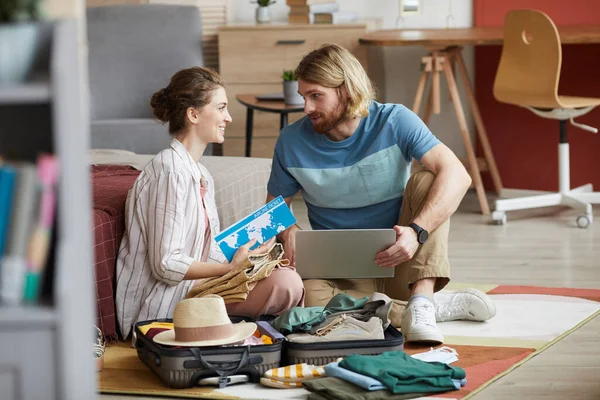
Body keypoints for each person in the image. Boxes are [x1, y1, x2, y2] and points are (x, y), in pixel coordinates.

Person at [266, 44, 496, 343]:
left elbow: (458, 175)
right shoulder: (290, 141)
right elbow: (273, 210)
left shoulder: (394, 120)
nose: (307, 108)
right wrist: (289, 230)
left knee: (428, 180)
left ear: (346, 90)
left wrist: (416, 232)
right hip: (340, 272)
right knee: (306, 302)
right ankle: (421, 308)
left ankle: (421, 298)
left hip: (402, 260)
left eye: (316, 96)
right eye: (304, 97)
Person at [115, 67, 305, 340]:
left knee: (284, 274)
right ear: (193, 114)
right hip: (163, 306)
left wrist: (250, 256)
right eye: (221, 108)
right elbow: (167, 264)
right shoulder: (170, 171)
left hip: (197, 288)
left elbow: (207, 250)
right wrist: (231, 269)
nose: (228, 117)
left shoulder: (200, 173)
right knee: (285, 285)